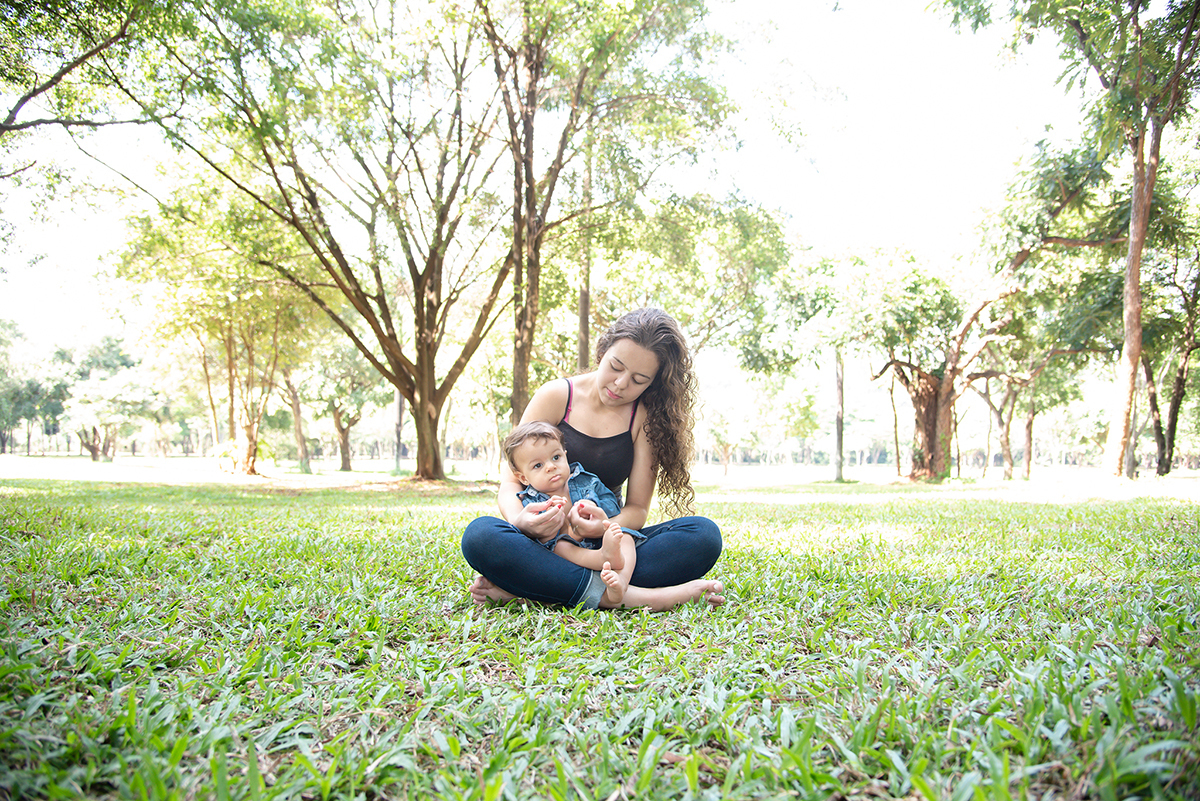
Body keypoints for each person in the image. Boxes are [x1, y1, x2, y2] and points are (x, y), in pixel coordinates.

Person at [462, 307, 725, 612]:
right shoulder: (557, 396)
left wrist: (605, 527)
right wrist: (521, 521)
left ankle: (535, 590)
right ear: (603, 351)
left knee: (703, 536)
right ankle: (635, 598)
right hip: (546, 543)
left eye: (638, 379)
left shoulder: (644, 419)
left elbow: (637, 510)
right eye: (616, 366)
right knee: (481, 536)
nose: (620, 384)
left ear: (652, 383)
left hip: (608, 545)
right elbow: (510, 480)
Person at [502, 421, 641, 607]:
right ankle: (602, 559)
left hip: (601, 541)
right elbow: (534, 539)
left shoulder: (586, 480)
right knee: (558, 546)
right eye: (537, 466)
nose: (550, 467)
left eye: (556, 457)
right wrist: (555, 527)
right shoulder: (531, 502)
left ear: (565, 456)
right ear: (523, 478)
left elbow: (611, 505)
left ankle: (621, 581)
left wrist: (598, 513)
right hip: (569, 559)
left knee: (624, 535)